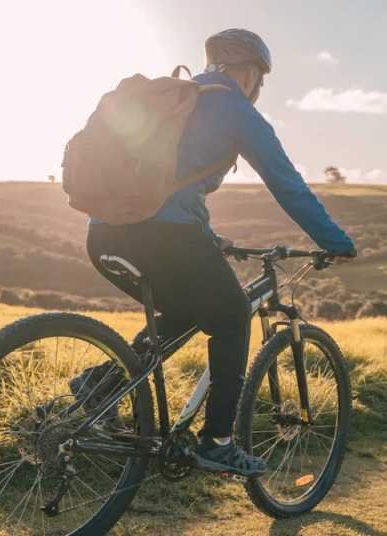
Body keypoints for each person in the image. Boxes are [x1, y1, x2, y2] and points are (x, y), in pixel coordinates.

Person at [83, 29, 357, 477]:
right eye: (260, 82)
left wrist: (209, 238)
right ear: (251, 76)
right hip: (165, 237)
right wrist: (335, 241)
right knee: (231, 316)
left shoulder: (177, 98)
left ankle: (99, 385)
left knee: (189, 310)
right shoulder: (235, 108)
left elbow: (168, 184)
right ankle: (218, 443)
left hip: (103, 234)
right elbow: (287, 183)